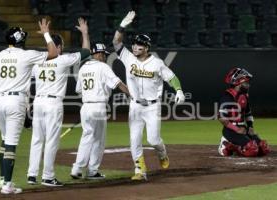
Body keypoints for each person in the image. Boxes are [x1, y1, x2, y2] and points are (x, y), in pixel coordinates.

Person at [0, 18, 58, 194]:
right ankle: (7, 186)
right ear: (20, 40)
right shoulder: (27, 55)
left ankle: (3, 180)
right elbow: (53, 53)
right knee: (11, 143)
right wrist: (46, 33)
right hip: (15, 102)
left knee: (4, 139)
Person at [113, 11, 185, 181]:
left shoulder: (157, 63)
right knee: (134, 139)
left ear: (146, 48)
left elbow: (172, 77)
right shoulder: (128, 58)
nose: (135, 47)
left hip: (152, 106)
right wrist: (122, 24)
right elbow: (116, 42)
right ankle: (140, 170)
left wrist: (179, 90)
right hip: (135, 105)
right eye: (135, 44)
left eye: (139, 45)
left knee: (153, 140)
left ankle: (162, 153)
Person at [26, 18, 90, 187]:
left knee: (37, 139)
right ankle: (48, 176)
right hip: (53, 104)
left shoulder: (38, 63)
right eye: (61, 45)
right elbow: (86, 52)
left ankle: (32, 175)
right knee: (51, 141)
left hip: (38, 103)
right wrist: (84, 33)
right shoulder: (63, 59)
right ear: (59, 47)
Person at [70, 42, 131, 179]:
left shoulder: (83, 68)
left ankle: (77, 168)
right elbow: (118, 83)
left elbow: (78, 90)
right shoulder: (103, 67)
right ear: (97, 54)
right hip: (98, 106)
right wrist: (132, 95)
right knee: (98, 140)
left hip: (85, 106)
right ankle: (91, 170)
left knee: (87, 136)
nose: (104, 57)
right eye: (103, 54)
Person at [218, 67, 270, 157]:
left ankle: (235, 146)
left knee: (263, 148)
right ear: (238, 83)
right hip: (230, 131)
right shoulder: (227, 97)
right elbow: (222, 118)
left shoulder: (244, 96)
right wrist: (236, 129)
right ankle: (227, 144)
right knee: (251, 149)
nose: (248, 85)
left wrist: (250, 126)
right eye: (245, 83)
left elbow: (248, 114)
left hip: (243, 128)